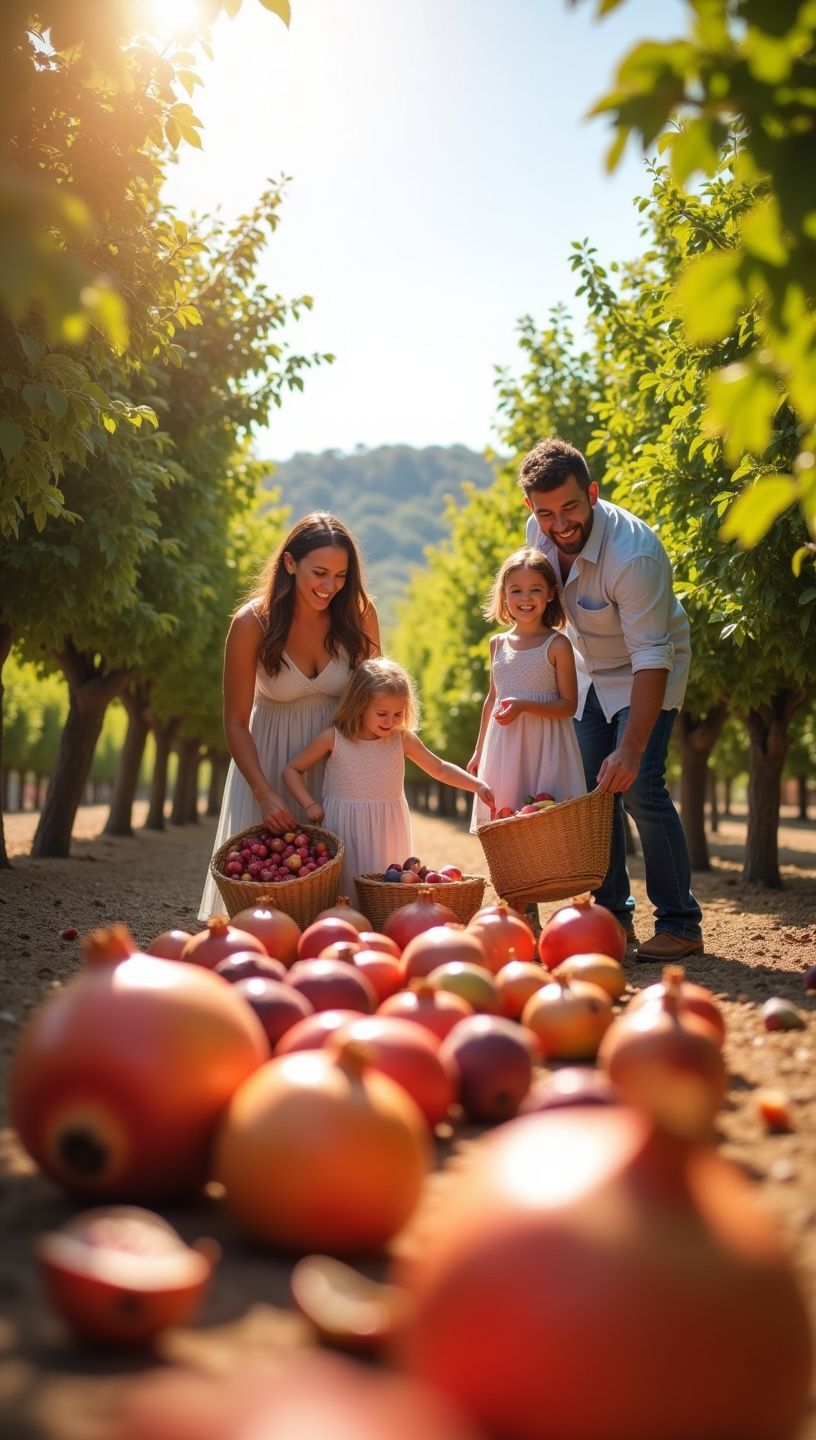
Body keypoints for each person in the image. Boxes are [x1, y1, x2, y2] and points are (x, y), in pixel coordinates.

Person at [520, 436, 702, 961]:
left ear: (593, 493)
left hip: (645, 672)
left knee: (640, 784)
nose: (559, 524)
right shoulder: (538, 530)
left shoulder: (633, 555)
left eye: (571, 507)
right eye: (546, 512)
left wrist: (631, 747)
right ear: (531, 506)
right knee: (593, 794)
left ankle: (680, 923)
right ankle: (613, 919)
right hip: (587, 671)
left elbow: (651, 656)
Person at [198, 513, 380, 920]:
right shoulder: (252, 623)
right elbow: (235, 722)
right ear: (290, 563)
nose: (330, 586)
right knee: (269, 892)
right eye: (320, 573)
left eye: (341, 576)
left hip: (338, 762)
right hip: (270, 762)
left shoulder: (360, 615)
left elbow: (376, 698)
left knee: (340, 896)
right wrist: (263, 792)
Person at [282, 657, 495, 904]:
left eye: (398, 714)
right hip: (343, 829)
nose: (390, 721)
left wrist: (477, 785)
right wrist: (309, 804)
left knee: (389, 893)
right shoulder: (334, 738)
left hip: (389, 829)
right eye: (382, 713)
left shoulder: (402, 739)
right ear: (360, 704)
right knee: (346, 894)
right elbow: (292, 770)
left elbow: (440, 769)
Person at [467, 545, 586, 827]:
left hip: (546, 746)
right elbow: (492, 698)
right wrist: (479, 750)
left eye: (535, 590)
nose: (526, 598)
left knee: (548, 821)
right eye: (516, 590)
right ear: (504, 595)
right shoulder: (497, 644)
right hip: (505, 748)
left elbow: (568, 705)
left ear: (551, 594)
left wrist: (524, 706)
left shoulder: (557, 644)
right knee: (506, 822)